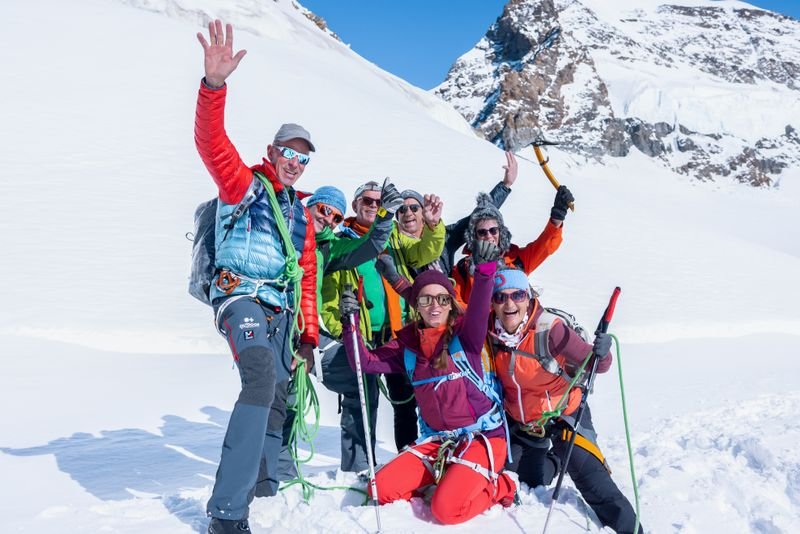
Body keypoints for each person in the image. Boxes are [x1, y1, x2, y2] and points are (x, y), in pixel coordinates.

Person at [195, 20, 318, 534]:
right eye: (288, 151)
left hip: (279, 309)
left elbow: (306, 277)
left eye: (303, 156)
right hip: (238, 296)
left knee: (277, 387)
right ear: (272, 152)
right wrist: (214, 87)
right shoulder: (242, 184)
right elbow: (211, 142)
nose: (294, 161)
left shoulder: (303, 215)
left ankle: (263, 481)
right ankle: (227, 514)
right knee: (261, 374)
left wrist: (309, 334)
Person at [339, 241, 518, 525]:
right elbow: (365, 363)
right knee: (379, 489)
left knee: (445, 510)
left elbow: (481, 305)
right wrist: (350, 323)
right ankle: (453, 474)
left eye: (442, 299)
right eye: (425, 299)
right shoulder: (407, 346)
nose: (434, 305)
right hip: (438, 442)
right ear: (416, 305)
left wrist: (484, 270)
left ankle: (503, 486)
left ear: (450, 304)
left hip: (482, 438)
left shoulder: (466, 336)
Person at [486, 268, 642, 533]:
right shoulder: (489, 332)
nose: (509, 303)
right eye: (500, 297)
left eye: (517, 295)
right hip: (523, 423)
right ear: (492, 302)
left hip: (563, 415)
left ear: (528, 297)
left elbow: (596, 365)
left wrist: (602, 353)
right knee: (528, 480)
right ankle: (555, 462)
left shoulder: (550, 330)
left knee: (594, 482)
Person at [319, 181, 445, 470]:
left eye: (379, 201)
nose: (373, 205)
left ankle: (407, 459)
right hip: (360, 334)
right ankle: (359, 465)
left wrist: (434, 225)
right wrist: (340, 329)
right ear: (355, 205)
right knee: (362, 400)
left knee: (405, 399)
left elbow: (424, 252)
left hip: (397, 332)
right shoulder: (341, 241)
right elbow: (327, 294)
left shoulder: (396, 239)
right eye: (367, 200)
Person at [451, 183, 573, 305]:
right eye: (482, 232)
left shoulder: (516, 260)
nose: (489, 236)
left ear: (501, 232)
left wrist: (557, 216)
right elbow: (457, 307)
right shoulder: (463, 269)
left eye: (493, 230)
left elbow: (545, 246)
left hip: (519, 320)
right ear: (474, 236)